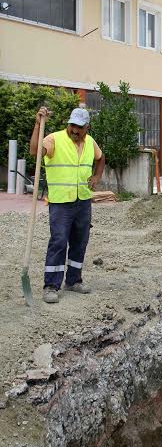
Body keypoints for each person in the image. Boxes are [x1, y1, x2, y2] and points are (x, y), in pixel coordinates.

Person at [30, 106, 105, 304]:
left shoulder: (90, 142)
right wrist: (38, 124)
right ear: (68, 124)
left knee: (80, 242)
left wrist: (97, 175)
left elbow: (100, 158)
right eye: (72, 125)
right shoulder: (54, 139)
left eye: (79, 127)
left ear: (86, 127)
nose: (75, 130)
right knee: (59, 241)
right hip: (61, 202)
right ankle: (51, 286)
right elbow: (35, 151)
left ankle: (73, 280)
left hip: (82, 201)